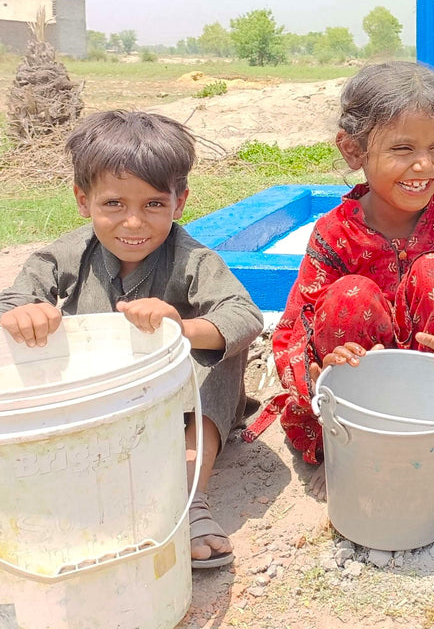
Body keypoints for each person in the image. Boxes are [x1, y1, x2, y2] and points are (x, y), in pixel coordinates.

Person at [252, 61, 434, 501]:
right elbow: (291, 333)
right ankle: (345, 448)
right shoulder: (334, 233)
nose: (423, 165)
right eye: (402, 149)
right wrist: (318, 373)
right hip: (363, 386)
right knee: (350, 295)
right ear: (353, 150)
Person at [0, 111, 264, 568]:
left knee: (219, 356)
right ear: (84, 201)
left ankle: (189, 501)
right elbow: (14, 299)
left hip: (179, 405)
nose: (134, 223)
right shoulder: (68, 252)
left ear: (179, 202)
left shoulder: (193, 259)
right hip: (102, 401)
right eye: (114, 205)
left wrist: (180, 328)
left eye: (154, 205)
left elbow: (245, 315)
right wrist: (27, 313)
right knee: (29, 345)